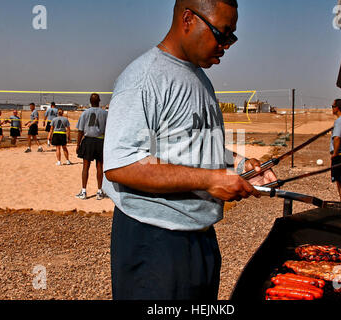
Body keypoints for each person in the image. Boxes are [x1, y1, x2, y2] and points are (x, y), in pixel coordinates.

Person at [103, 0, 276, 300]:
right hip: (155, 242)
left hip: (199, 238)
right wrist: (210, 181)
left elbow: (189, 147)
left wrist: (239, 164)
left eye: (232, 37)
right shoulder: (144, 78)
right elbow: (122, 164)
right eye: (221, 34)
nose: (226, 45)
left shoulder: (199, 78)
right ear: (187, 19)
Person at [76, 93, 108, 200]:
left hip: (88, 141)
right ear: (99, 101)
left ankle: (84, 191)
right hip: (100, 141)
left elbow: (80, 131)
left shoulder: (85, 113)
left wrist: (78, 144)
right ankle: (99, 192)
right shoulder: (105, 113)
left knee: (86, 167)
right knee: (99, 167)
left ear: (90, 101)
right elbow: (109, 130)